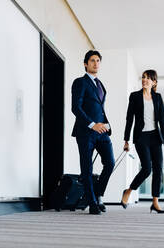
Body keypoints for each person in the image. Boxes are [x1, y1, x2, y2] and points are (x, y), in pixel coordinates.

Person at [121, 69, 164, 214]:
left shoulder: (158, 98)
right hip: (141, 137)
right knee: (146, 169)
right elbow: (129, 119)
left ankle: (155, 202)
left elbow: (163, 120)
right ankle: (128, 191)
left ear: (154, 82)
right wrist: (126, 140)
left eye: (148, 78)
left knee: (158, 169)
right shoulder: (134, 96)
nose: (144, 80)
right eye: (143, 77)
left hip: (155, 137)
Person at [71, 50, 115, 215]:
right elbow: (76, 107)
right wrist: (92, 124)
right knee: (87, 168)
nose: (96, 63)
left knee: (110, 163)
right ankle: (92, 203)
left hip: (102, 131)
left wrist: (105, 124)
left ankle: (97, 193)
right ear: (85, 64)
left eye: (98, 61)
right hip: (85, 131)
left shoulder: (100, 84)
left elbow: (100, 109)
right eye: (92, 60)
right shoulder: (80, 82)